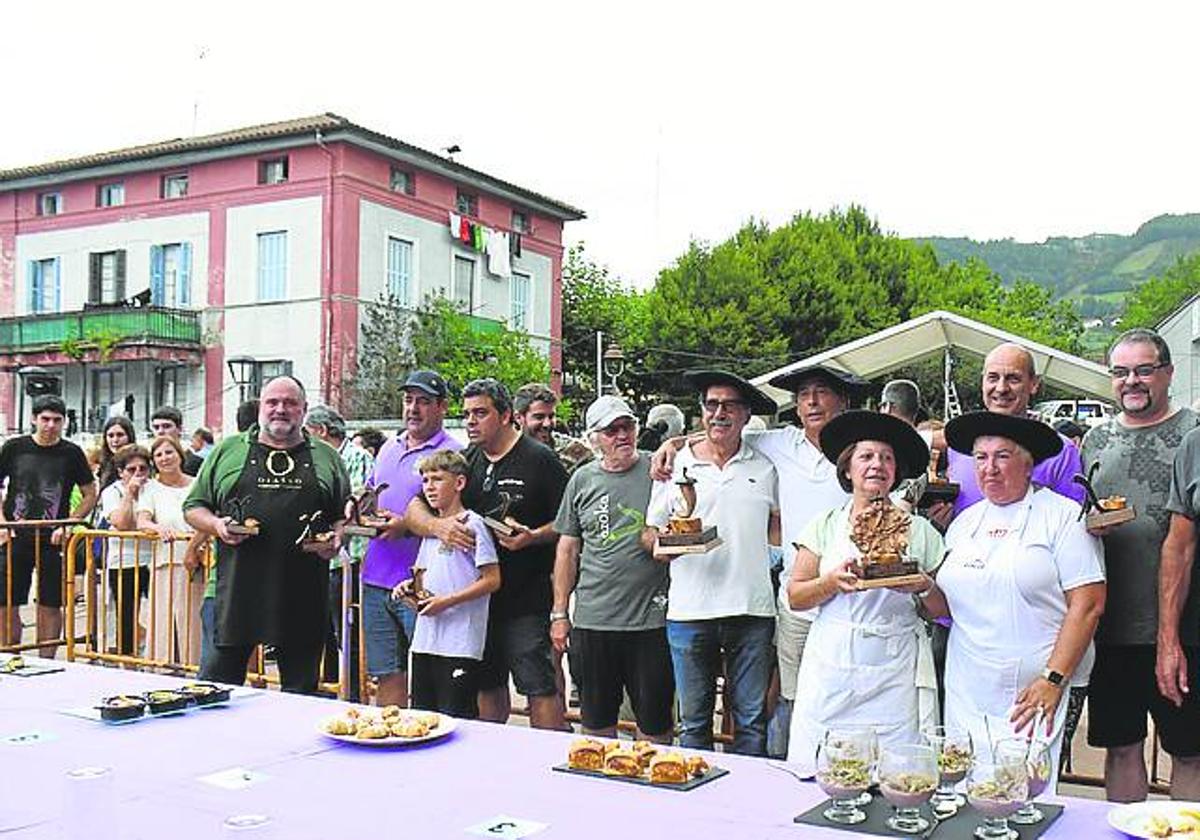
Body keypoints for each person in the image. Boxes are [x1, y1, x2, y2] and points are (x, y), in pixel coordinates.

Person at [654, 364, 861, 757]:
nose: (813, 402)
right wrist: (675, 443)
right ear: (796, 407)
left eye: (822, 393)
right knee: (785, 700)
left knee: (840, 699)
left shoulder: (861, 450)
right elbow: (720, 431)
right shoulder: (777, 446)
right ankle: (789, 769)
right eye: (804, 395)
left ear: (844, 401)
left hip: (851, 599)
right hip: (797, 600)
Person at [928, 411, 1106, 790]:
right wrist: (917, 586)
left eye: (1003, 456)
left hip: (1036, 692)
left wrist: (1052, 679)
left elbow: (1088, 604)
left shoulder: (1063, 518)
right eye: (980, 458)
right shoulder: (963, 524)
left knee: (1025, 795)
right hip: (968, 687)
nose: (990, 468)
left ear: (1029, 465)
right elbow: (947, 607)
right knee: (965, 790)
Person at [1080, 328, 1200, 800]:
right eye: (1121, 372)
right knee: (1121, 746)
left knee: (1189, 751)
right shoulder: (1095, 439)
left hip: (1187, 626)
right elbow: (1077, 516)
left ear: (1168, 373)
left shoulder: (1194, 433)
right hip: (1112, 625)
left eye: (1144, 370)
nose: (1132, 381)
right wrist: (1088, 524)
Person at [785, 410, 943, 767]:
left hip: (895, 670)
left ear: (896, 472)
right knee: (826, 765)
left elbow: (941, 610)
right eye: (867, 456)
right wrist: (830, 583)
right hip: (833, 665)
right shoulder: (824, 525)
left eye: (887, 458)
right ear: (847, 469)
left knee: (894, 769)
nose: (878, 465)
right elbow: (796, 596)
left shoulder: (920, 532)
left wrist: (922, 586)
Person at [408, 378, 568, 729]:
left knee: (538, 686)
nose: (470, 421)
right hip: (475, 603)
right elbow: (414, 509)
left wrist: (533, 536)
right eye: (466, 414)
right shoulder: (467, 460)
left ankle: (547, 761)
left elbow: (570, 522)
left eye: (480, 413)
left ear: (507, 415)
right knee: (487, 683)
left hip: (525, 597)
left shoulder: (540, 460)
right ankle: (492, 759)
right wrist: (439, 527)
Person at [184, 376, 349, 693]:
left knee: (300, 696)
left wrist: (336, 538)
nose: (281, 410)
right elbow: (194, 506)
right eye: (273, 402)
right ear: (261, 406)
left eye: (290, 403)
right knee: (214, 694)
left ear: (304, 410)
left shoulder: (327, 457)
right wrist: (217, 526)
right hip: (231, 594)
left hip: (303, 595)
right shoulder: (227, 451)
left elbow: (343, 514)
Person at [647, 370, 780, 756]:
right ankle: (699, 809)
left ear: (746, 414)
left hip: (752, 608)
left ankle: (743, 809)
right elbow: (651, 530)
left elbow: (777, 525)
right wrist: (662, 546)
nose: (719, 413)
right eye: (711, 404)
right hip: (690, 610)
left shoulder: (766, 466)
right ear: (701, 411)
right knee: (693, 723)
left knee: (751, 720)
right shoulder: (674, 467)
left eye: (730, 405)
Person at [553, 396, 673, 742]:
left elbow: (704, 442)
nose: (621, 436)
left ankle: (657, 792)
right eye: (611, 430)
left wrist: (674, 441)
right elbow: (567, 549)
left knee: (655, 724)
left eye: (627, 426)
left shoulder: (660, 468)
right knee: (595, 725)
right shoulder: (581, 479)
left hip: (651, 621)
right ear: (594, 438)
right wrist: (559, 613)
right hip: (593, 621)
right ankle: (601, 793)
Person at [362, 370, 460, 707]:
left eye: (423, 401)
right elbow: (371, 492)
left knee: (429, 676)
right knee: (386, 673)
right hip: (375, 578)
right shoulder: (390, 446)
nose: (413, 409)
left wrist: (405, 524)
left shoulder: (452, 453)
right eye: (408, 400)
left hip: (422, 584)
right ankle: (390, 745)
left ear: (442, 407)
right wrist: (357, 505)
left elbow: (453, 519)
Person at [395, 450, 500, 718]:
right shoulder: (432, 529)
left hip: (459, 643)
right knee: (422, 716)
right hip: (425, 641)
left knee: (456, 718)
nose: (429, 487)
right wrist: (409, 587)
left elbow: (492, 579)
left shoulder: (473, 524)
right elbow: (428, 575)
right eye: (425, 480)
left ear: (459, 483)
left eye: (437, 479)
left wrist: (447, 601)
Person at [940, 343, 1086, 522]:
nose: (1001, 388)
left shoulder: (1060, 451)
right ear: (982, 382)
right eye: (993, 378)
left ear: (1034, 384)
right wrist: (941, 519)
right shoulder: (959, 447)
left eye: (1013, 379)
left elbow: (1075, 522)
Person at [0, 395, 97, 656]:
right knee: (6, 602)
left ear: (64, 422)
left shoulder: (71, 453)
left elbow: (90, 493)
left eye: (56, 420)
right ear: (34, 419)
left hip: (53, 538)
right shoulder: (14, 447)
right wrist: (2, 522)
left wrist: (69, 524)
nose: (50, 425)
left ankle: (48, 662)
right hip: (14, 536)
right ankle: (9, 658)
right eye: (45, 419)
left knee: (50, 603)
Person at [305, 405, 374, 698]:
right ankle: (328, 688)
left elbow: (353, 501)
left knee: (348, 630)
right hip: (317, 555)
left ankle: (355, 693)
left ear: (321, 431)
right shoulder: (311, 459)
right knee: (321, 630)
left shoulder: (357, 457)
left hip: (350, 559)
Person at [136, 435, 203, 665]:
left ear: (179, 454)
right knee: (162, 617)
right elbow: (142, 521)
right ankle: (161, 666)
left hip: (196, 557)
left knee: (192, 617)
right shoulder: (151, 489)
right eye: (159, 455)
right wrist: (158, 528)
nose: (165, 458)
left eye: (169, 452)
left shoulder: (198, 483)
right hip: (164, 559)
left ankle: (194, 665)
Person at [97, 444, 154, 656]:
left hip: (152, 559)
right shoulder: (111, 492)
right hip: (123, 560)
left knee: (161, 612)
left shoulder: (154, 488)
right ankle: (127, 659)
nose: (138, 474)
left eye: (143, 468)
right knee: (126, 615)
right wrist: (130, 494)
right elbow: (122, 522)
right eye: (131, 469)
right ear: (121, 472)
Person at [150, 406, 204, 476]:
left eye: (166, 426)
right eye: (156, 427)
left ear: (180, 429)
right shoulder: (149, 463)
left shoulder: (197, 463)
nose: (160, 431)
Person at [97, 415, 137, 492]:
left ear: (129, 436)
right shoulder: (99, 465)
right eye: (110, 436)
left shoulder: (139, 463)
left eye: (120, 435)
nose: (115, 440)